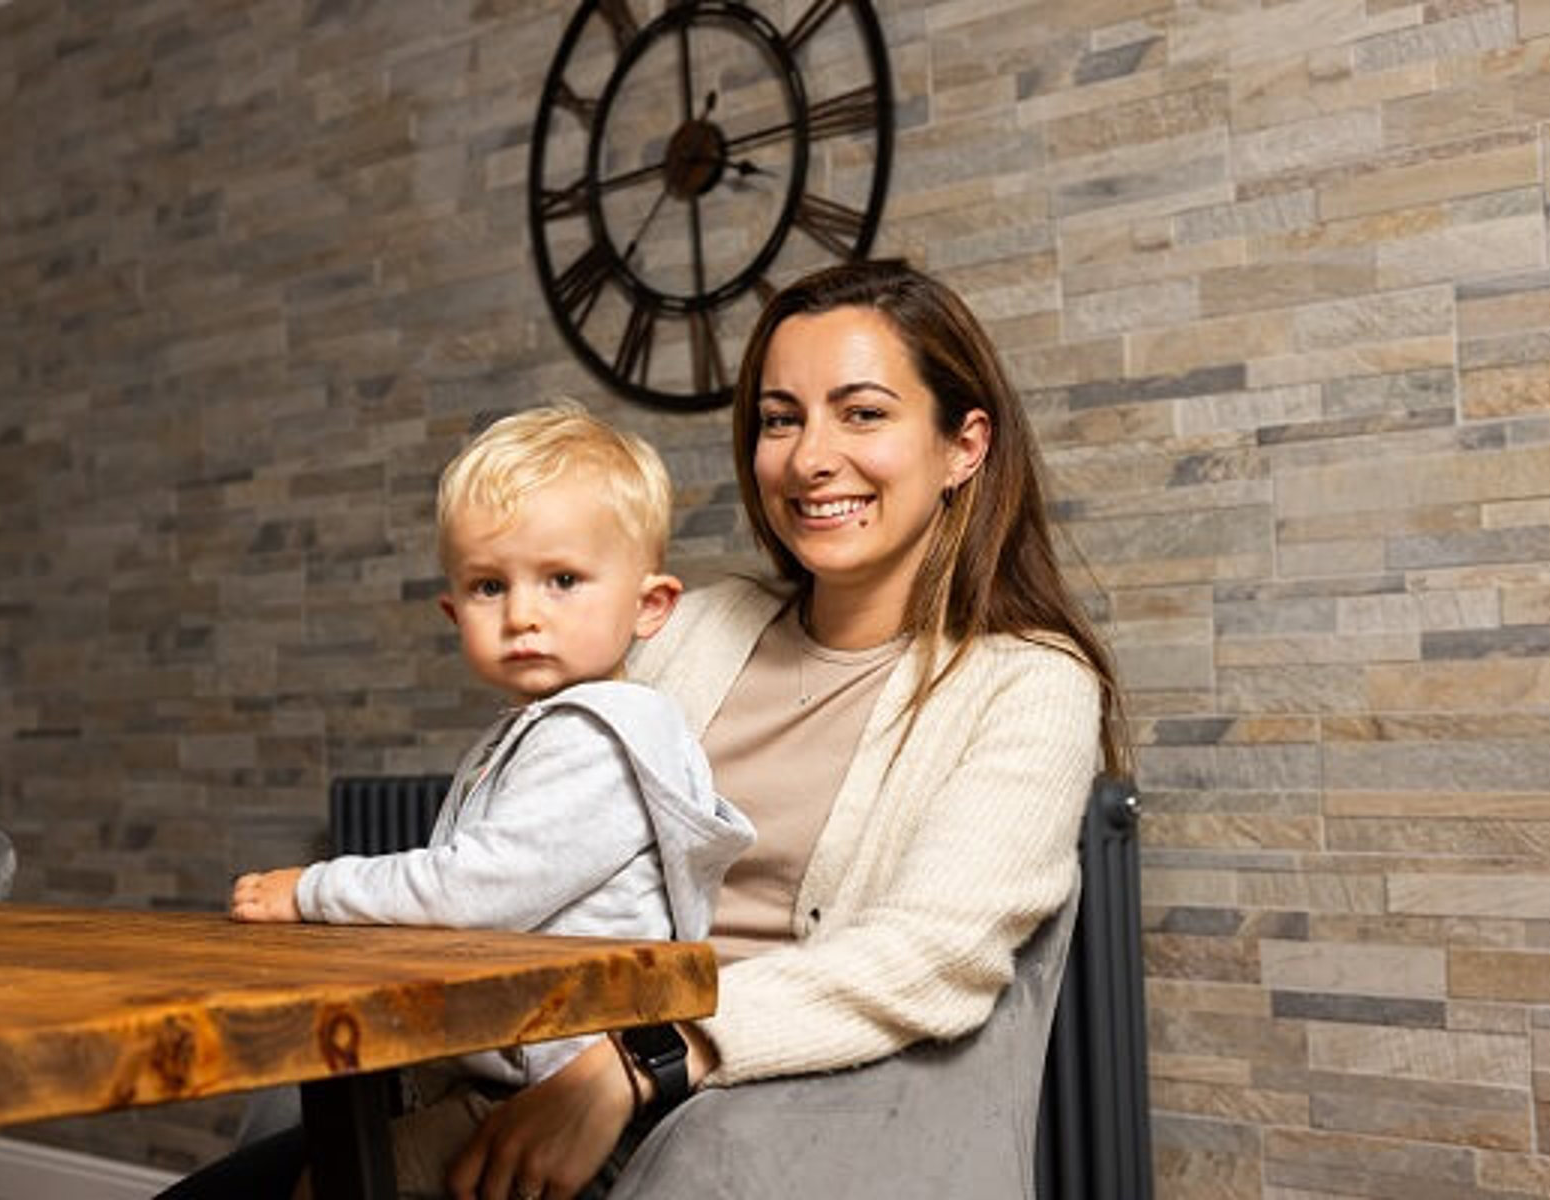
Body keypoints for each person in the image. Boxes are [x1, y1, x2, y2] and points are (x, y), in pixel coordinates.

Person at [165, 259, 1125, 1200]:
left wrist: (643, 1062)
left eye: (862, 412)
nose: (810, 457)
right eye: (780, 419)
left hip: (735, 1110)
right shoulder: (693, 626)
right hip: (534, 1071)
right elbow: (541, 827)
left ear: (965, 445)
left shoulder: (1030, 684)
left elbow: (928, 958)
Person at [221, 402, 755, 1199]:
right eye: (488, 586)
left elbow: (474, 890)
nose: (523, 615)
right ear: (452, 611)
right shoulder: (535, 729)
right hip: (506, 1072)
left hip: (559, 1096)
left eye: (563, 580)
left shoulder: (601, 735)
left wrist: (313, 888)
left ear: (651, 606)